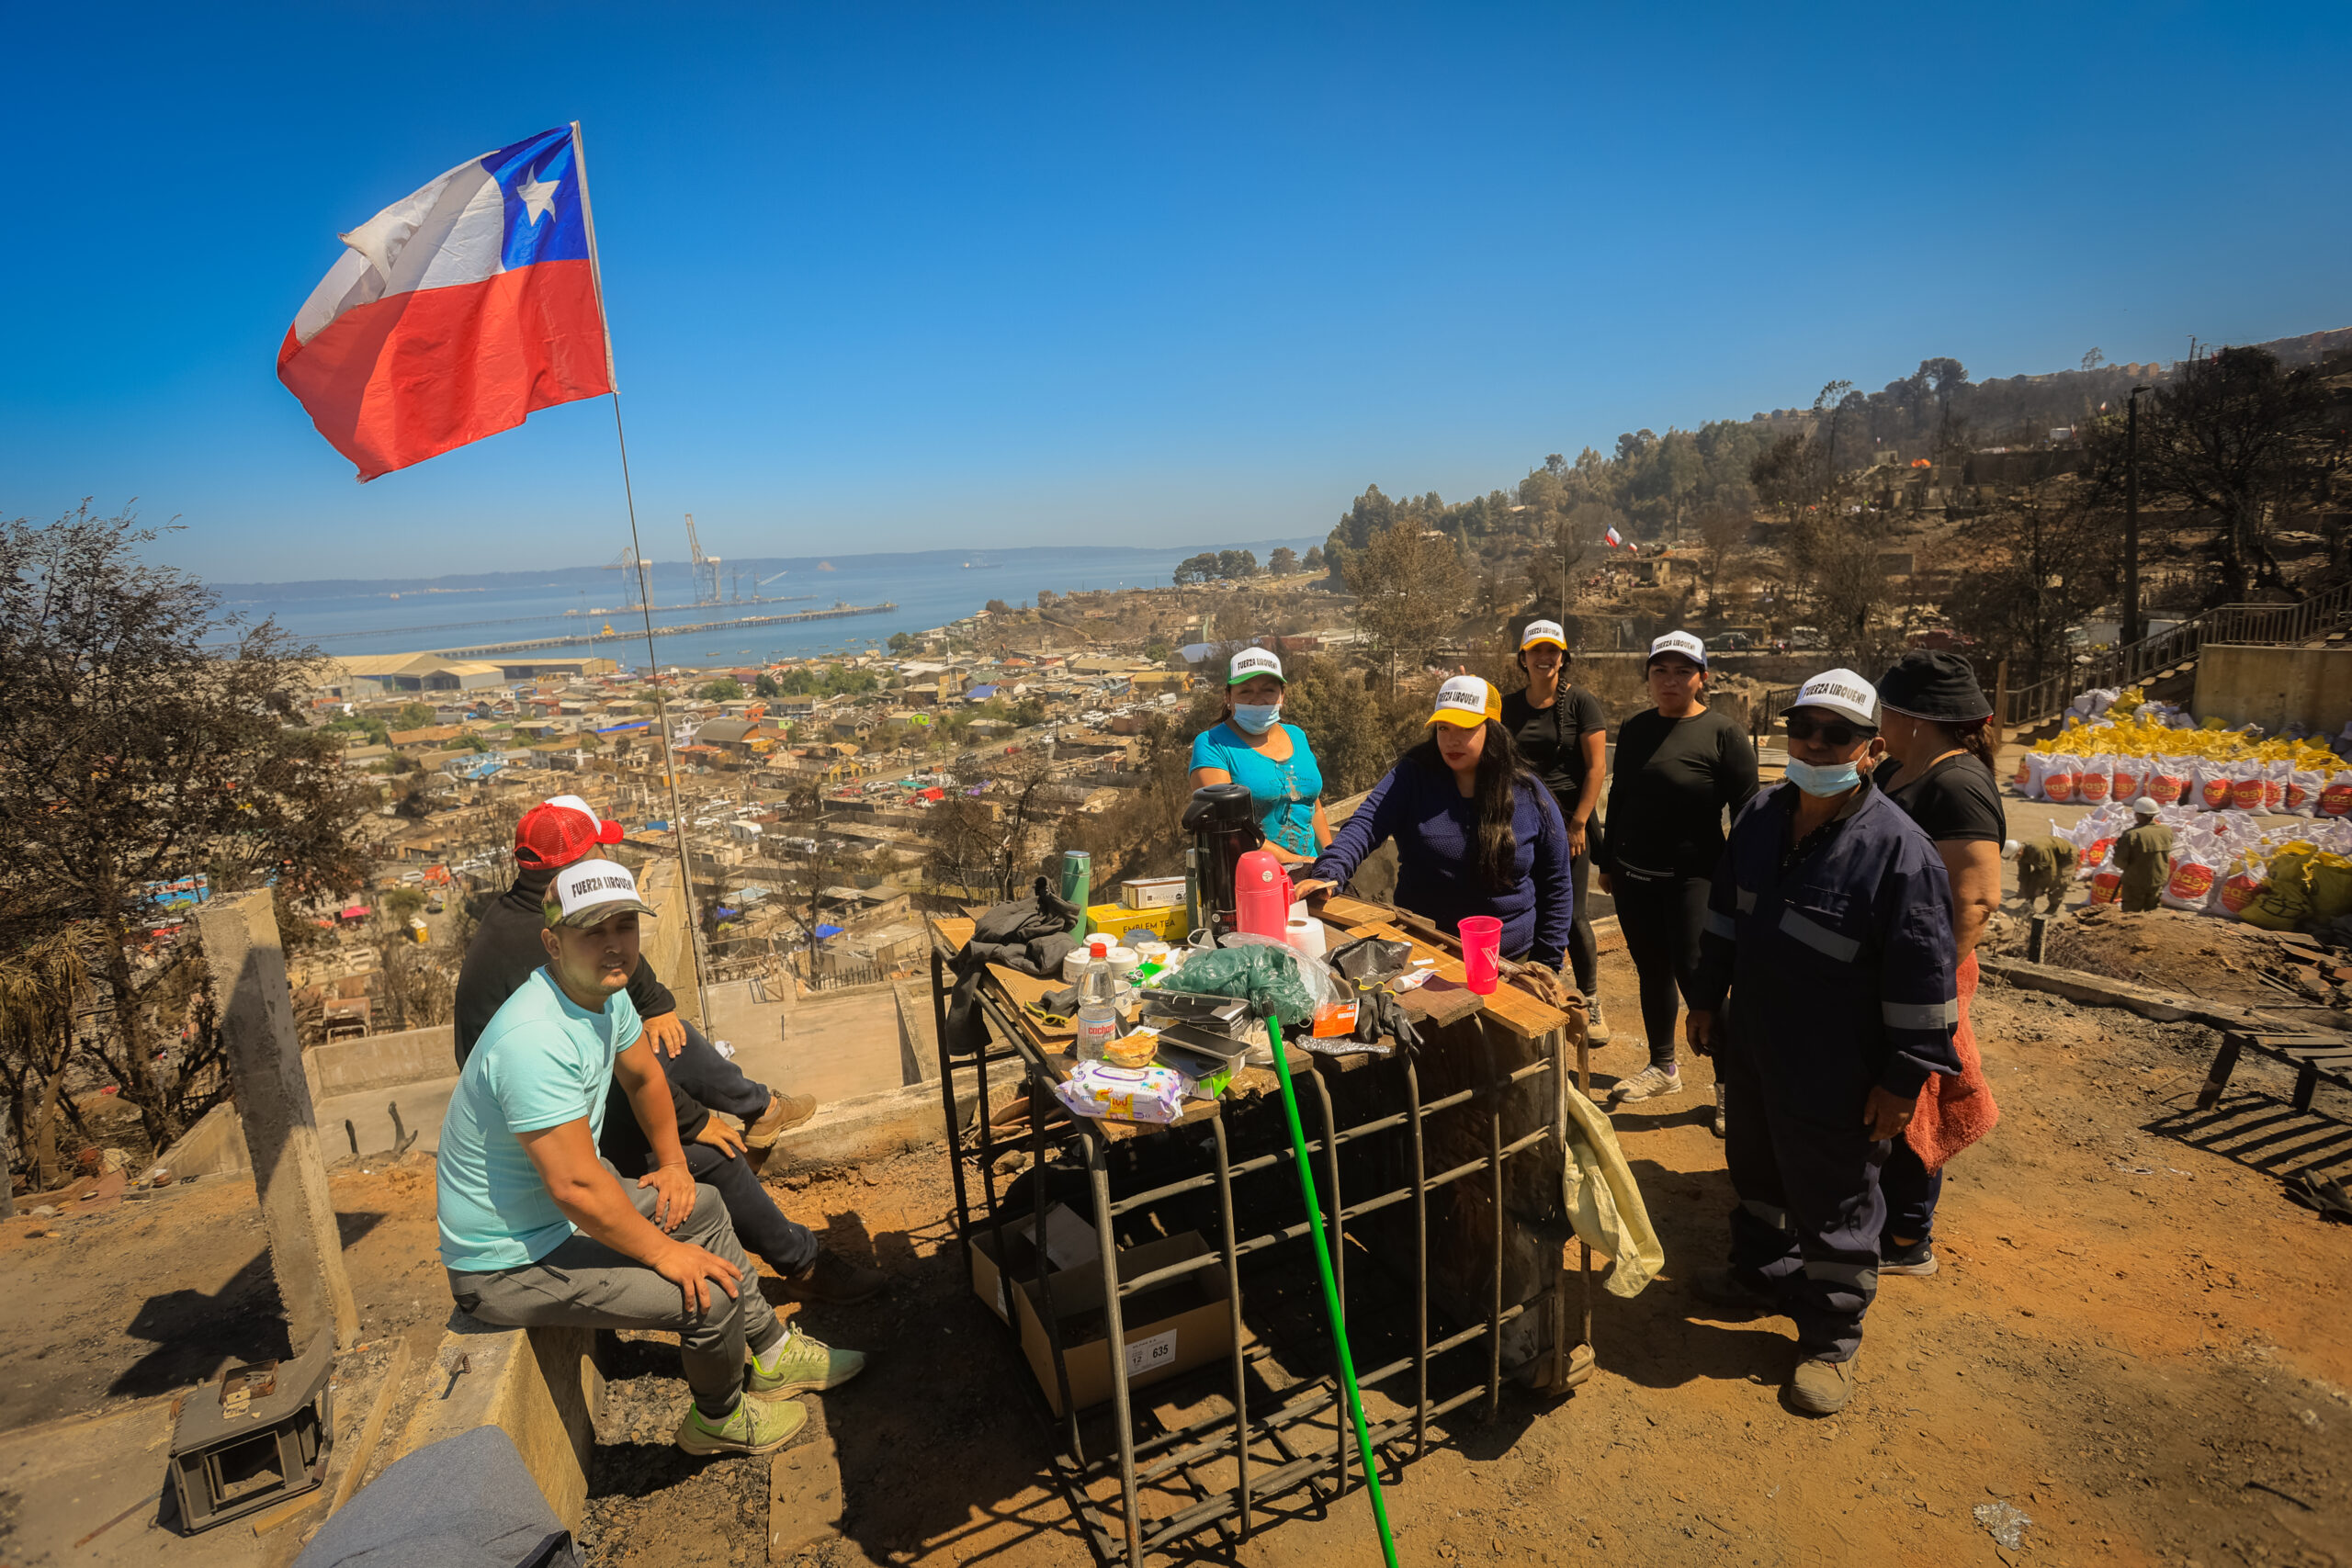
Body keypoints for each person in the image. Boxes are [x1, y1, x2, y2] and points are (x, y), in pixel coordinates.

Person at [437, 858, 865, 1458]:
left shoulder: (602, 996)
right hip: (507, 1259)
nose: (615, 945)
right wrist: (667, 1252)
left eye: (625, 926)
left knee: (707, 1206)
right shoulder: (533, 1040)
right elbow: (576, 1188)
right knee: (705, 1291)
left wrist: (671, 1162)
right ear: (552, 942)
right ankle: (717, 1417)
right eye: (594, 931)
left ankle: (771, 1352)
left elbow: (644, 1079)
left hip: (557, 1213)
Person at [455, 796, 883, 1305]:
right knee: (715, 1157)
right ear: (572, 874)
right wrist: (693, 1124)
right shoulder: (542, 947)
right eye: (598, 852)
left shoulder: (541, 921)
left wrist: (660, 1020)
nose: (606, 862)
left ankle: (760, 1111)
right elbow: (599, 1095)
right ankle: (803, 1266)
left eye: (624, 926)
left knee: (666, 1038)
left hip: (570, 1098)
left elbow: (634, 1033)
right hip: (548, 1132)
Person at [1684, 669, 1961, 1416]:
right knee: (1759, 1170)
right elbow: (1725, 921)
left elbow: (1925, 986)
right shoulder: (1763, 817)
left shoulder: (1901, 854)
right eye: (1803, 726)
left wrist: (1902, 1082)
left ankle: (1831, 1337)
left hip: (1839, 1069)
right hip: (1757, 1046)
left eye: (1836, 734)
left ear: (1870, 749)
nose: (1814, 742)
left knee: (1837, 1199)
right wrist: (1707, 997)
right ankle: (1760, 1275)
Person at [1294, 676, 1571, 1007]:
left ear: (1492, 730)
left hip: (1511, 963)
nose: (1451, 740)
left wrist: (1547, 962)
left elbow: (1557, 884)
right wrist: (1332, 870)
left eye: (1465, 729)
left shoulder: (1528, 794)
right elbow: (1366, 824)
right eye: (1443, 728)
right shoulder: (1412, 778)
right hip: (1425, 957)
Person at [1871, 650, 2007, 1279]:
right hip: (1889, 965)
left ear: (1918, 719)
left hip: (1927, 972)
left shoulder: (1957, 784)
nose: (1880, 719)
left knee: (1916, 1091)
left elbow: (1975, 901)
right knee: (1886, 1090)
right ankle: (1886, 1215)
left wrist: (1925, 983)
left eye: (1886, 709)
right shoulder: (1902, 769)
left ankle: (1907, 1236)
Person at [1597, 632, 1758, 1106]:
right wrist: (1608, 863)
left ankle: (1729, 1085)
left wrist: (1743, 880)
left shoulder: (1724, 734)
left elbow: (1748, 814)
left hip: (1694, 878)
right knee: (1652, 970)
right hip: (1634, 875)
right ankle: (1663, 1066)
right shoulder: (1635, 727)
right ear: (1648, 677)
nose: (1670, 680)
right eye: (1660, 671)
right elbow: (1622, 796)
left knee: (1697, 975)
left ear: (1701, 678)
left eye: (1682, 671)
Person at [1500, 620, 1611, 1042]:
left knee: (1573, 914)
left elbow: (1597, 767)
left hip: (1570, 820)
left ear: (1563, 658)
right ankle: (1539, 990)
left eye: (1552, 651)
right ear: (1523, 658)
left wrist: (1580, 822)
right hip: (1522, 819)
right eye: (1536, 651)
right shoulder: (1508, 708)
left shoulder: (1581, 703)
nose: (1544, 658)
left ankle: (1590, 999)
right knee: (1529, 905)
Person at [1189, 647, 1329, 864]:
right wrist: (1297, 862)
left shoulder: (1297, 736)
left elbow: (1314, 807)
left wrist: (1333, 861)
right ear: (1228, 697)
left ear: (1282, 695)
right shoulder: (1212, 745)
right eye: (1245, 691)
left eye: (1268, 690)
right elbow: (1227, 828)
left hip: (1311, 875)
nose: (1258, 700)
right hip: (1255, 879)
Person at [2111, 798, 2175, 912]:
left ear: (2139, 815)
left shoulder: (2131, 834)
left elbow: (2119, 862)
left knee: (2130, 913)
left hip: (2135, 882)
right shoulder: (2166, 830)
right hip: (2158, 879)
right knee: (2152, 912)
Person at [2009, 836, 2079, 912]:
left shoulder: (2039, 850)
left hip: (2065, 857)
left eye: (2014, 857)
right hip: (2049, 856)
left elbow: (2050, 873)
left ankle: (2052, 908)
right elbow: (2024, 874)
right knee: (2034, 877)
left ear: (2019, 852)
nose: (2015, 860)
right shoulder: (2020, 854)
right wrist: (2022, 889)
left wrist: (2040, 888)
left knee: (2059, 881)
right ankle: (2029, 902)